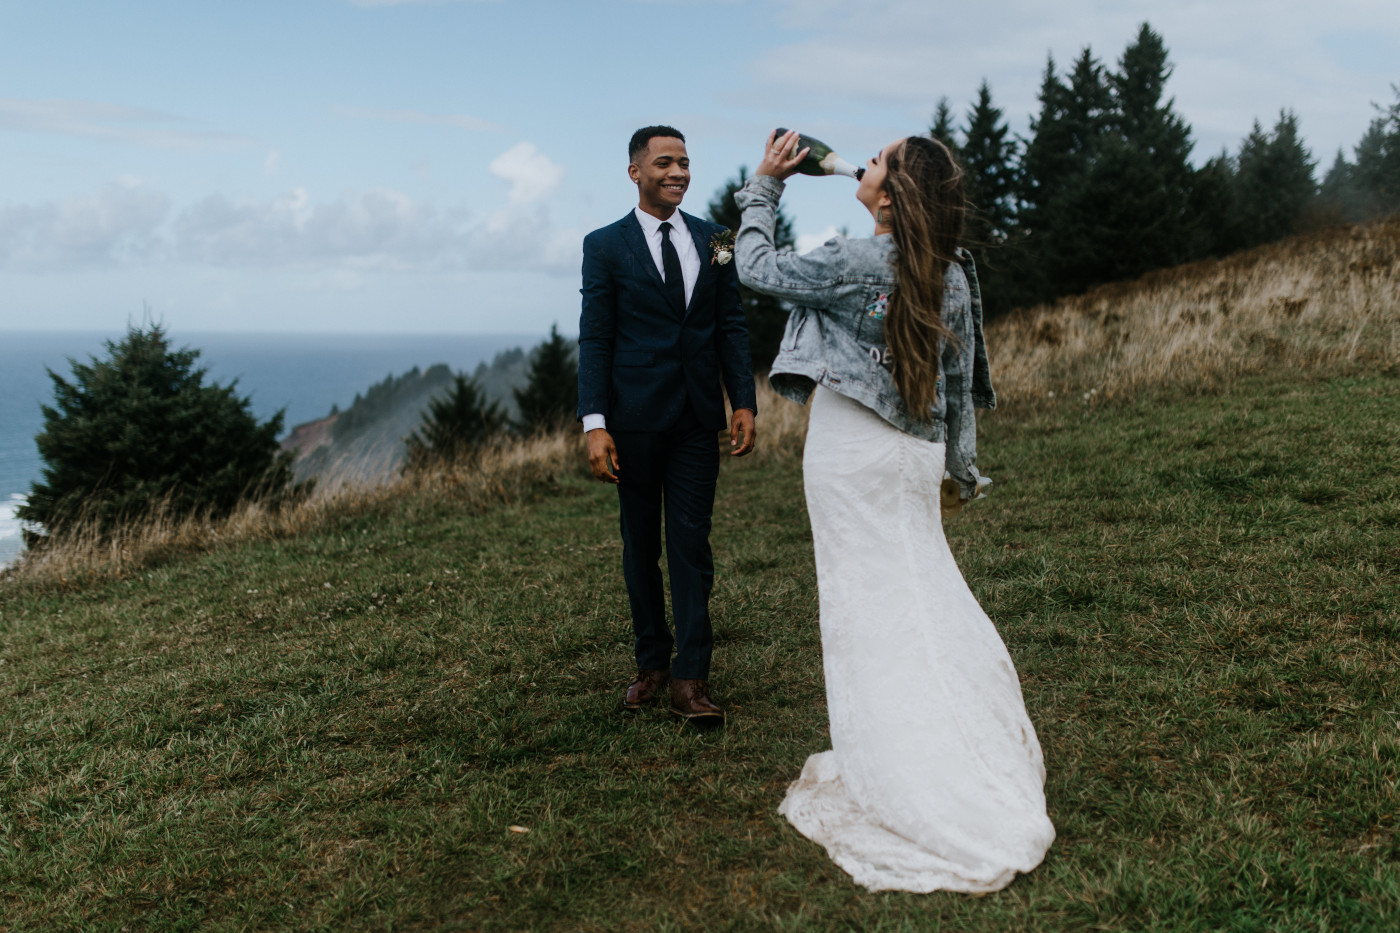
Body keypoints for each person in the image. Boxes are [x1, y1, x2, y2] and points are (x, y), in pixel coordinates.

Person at [733, 129, 1054, 892]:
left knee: (868, 611)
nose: (863, 159)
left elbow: (754, 267)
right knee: (920, 598)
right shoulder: (952, 275)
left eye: (877, 158)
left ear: (888, 194)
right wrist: (962, 472)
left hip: (852, 455)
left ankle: (910, 775)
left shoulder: (851, 261)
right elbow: (960, 387)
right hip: (912, 461)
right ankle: (955, 746)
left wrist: (765, 185)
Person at [577, 125, 758, 725]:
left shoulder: (716, 239)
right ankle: (650, 663)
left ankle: (691, 679)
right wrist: (594, 423)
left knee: (690, 544)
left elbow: (730, 324)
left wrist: (744, 401)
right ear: (635, 172)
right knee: (640, 547)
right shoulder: (604, 245)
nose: (678, 171)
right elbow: (596, 338)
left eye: (684, 161)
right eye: (664, 163)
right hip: (630, 421)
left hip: (696, 419)